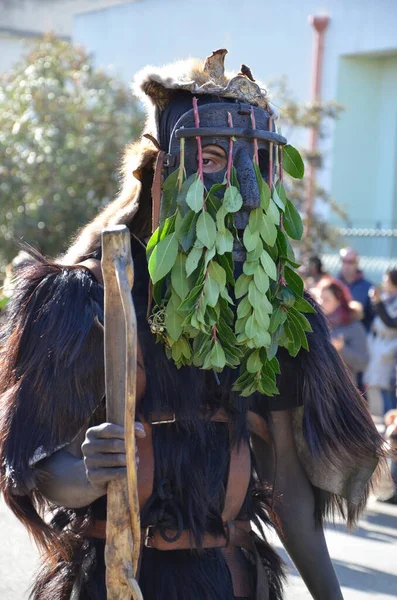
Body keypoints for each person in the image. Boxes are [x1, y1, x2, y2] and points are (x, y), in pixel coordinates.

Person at [0, 49, 385, 600]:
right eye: (210, 159)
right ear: (159, 169)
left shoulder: (271, 310)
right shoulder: (82, 297)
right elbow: (37, 469)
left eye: (253, 159)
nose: (242, 189)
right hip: (112, 581)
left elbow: (287, 483)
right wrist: (87, 470)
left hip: (230, 581)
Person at [320, 280, 369, 386]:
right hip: (319, 388)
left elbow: (362, 362)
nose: (321, 303)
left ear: (339, 301)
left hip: (344, 391)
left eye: (326, 300)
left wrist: (341, 349)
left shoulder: (353, 326)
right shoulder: (317, 324)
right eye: (320, 298)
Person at [365, 269, 397, 415]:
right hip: (381, 345)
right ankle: (389, 420)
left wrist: (378, 302)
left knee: (389, 389)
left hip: (391, 347)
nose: (384, 283)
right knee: (383, 387)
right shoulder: (388, 297)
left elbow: (391, 322)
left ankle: (391, 421)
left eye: (386, 280)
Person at [337, 247, 374, 332]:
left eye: (350, 262)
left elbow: (371, 317)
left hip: (359, 337)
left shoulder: (368, 287)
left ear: (357, 263)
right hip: (336, 337)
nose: (346, 265)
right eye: (344, 261)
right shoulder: (334, 284)